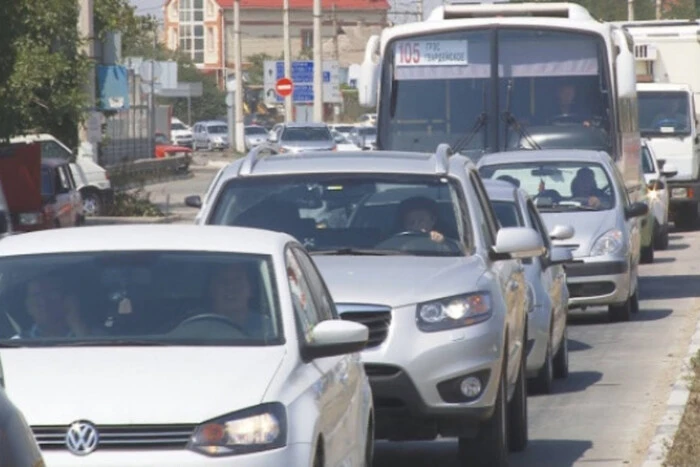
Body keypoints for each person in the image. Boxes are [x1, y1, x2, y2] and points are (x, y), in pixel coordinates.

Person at [18, 275, 87, 338]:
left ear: (67, 300)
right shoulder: (15, 344)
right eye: (36, 295)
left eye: (51, 293)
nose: (44, 301)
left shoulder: (94, 337)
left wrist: (76, 324)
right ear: (27, 306)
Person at [207, 263, 266, 336]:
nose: (230, 287)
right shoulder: (197, 327)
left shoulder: (268, 328)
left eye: (237, 280)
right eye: (223, 281)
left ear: (251, 289)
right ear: (211, 290)